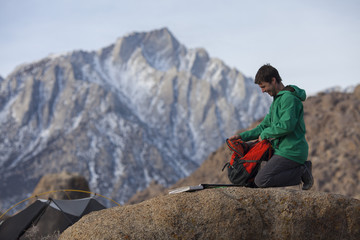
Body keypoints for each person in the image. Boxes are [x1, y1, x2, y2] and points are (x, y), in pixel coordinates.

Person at [229, 64, 313, 190]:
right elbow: (264, 126)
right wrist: (241, 137)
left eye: (263, 86)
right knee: (249, 159)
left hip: (291, 151)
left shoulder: (289, 99)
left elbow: (287, 126)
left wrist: (265, 134)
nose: (262, 91)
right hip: (279, 149)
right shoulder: (277, 101)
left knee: (261, 180)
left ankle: (302, 171)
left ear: (273, 80)